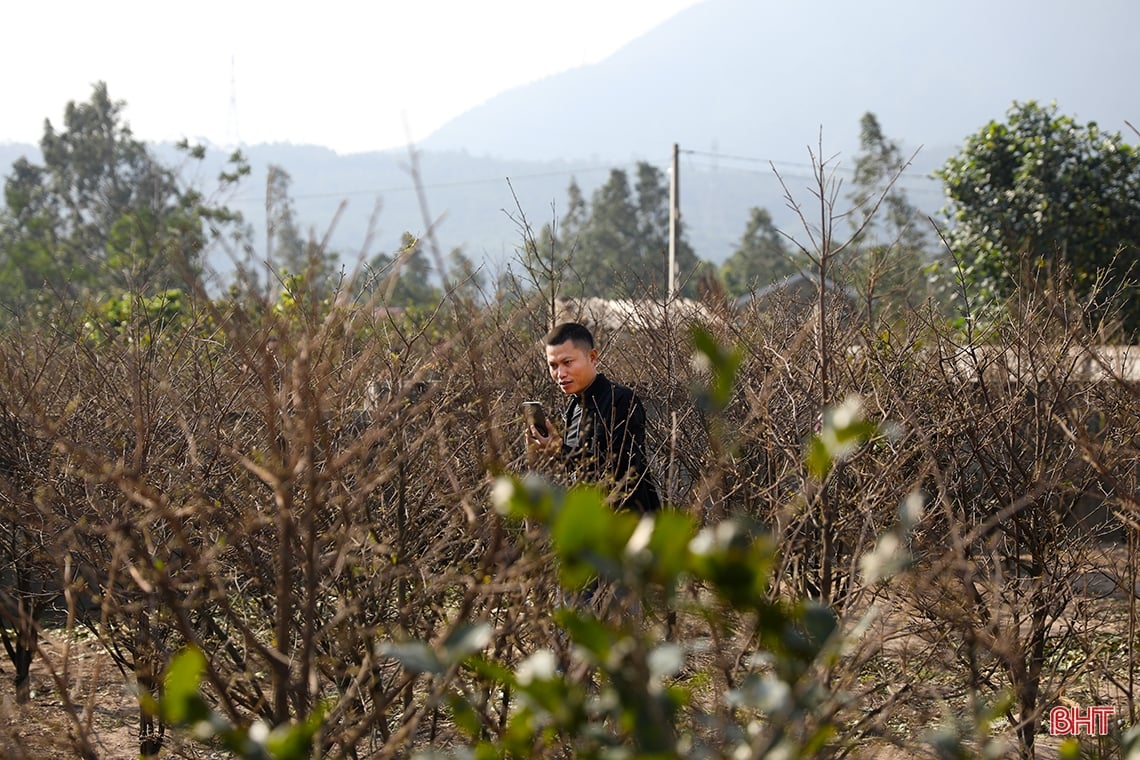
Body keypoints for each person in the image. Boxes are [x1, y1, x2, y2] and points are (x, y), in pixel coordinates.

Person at [527, 322, 661, 513]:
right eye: (553, 366)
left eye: (567, 363)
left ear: (592, 357)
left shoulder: (621, 400)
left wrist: (560, 451)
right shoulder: (574, 406)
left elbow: (621, 472)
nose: (560, 374)